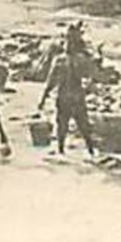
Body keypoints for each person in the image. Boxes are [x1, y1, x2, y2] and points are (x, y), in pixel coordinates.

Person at [38, 24, 98, 156]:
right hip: (74, 96)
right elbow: (91, 75)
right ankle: (89, 151)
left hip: (66, 96)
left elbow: (51, 81)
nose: (68, 44)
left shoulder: (61, 60)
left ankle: (64, 151)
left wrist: (43, 98)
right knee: (79, 125)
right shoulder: (78, 59)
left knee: (66, 125)